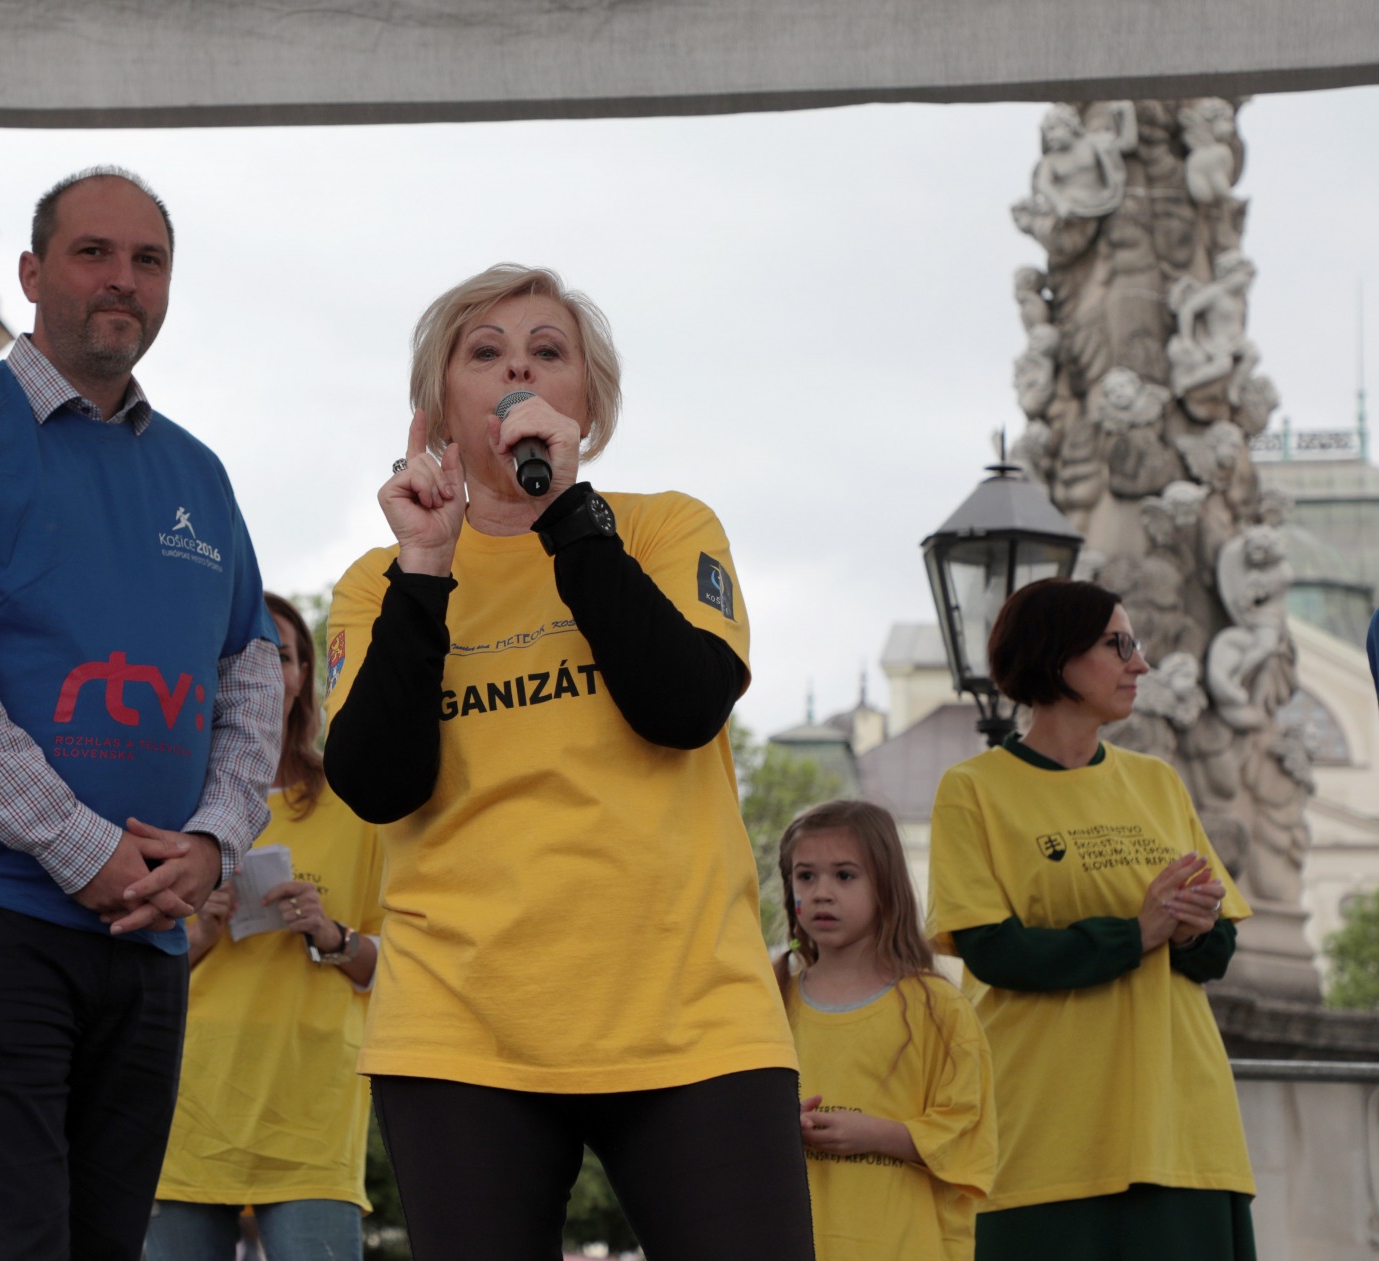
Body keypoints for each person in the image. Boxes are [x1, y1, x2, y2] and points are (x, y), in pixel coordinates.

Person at [322, 263, 811, 1260]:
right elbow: (377, 783)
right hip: (460, 1028)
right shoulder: (379, 582)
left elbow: (684, 706)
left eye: (549, 351)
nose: (519, 369)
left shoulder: (665, 527)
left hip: (690, 1015)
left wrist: (568, 516)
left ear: (588, 402)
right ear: (437, 408)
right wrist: (427, 569)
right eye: (486, 351)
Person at [0, 165, 283, 1261]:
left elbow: (252, 679)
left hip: (143, 932)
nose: (122, 279)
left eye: (148, 260)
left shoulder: (201, 476)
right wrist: (80, 845)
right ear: (33, 273)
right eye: (94, 253)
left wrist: (213, 841)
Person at [927, 578, 1254, 1260]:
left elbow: (1216, 945)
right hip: (1047, 1138)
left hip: (1185, 1132)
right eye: (1118, 645)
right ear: (1056, 655)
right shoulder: (973, 789)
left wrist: (1191, 927)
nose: (1141, 664)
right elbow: (994, 952)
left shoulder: (1158, 781)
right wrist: (1137, 933)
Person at [146, 593, 385, 1260]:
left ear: (304, 675)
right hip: (187, 1103)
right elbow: (124, 966)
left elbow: (403, 966)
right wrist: (198, 934)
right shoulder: (172, 799)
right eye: (239, 654)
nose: (258, 670)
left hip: (310, 1110)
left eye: (277, 654)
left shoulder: (358, 800)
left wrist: (333, 936)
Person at [775, 799, 996, 1261]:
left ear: (887, 887)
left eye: (845, 875)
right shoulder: (771, 1001)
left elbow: (970, 1135)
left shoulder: (940, 1007)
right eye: (805, 876)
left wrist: (878, 1136)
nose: (821, 893)